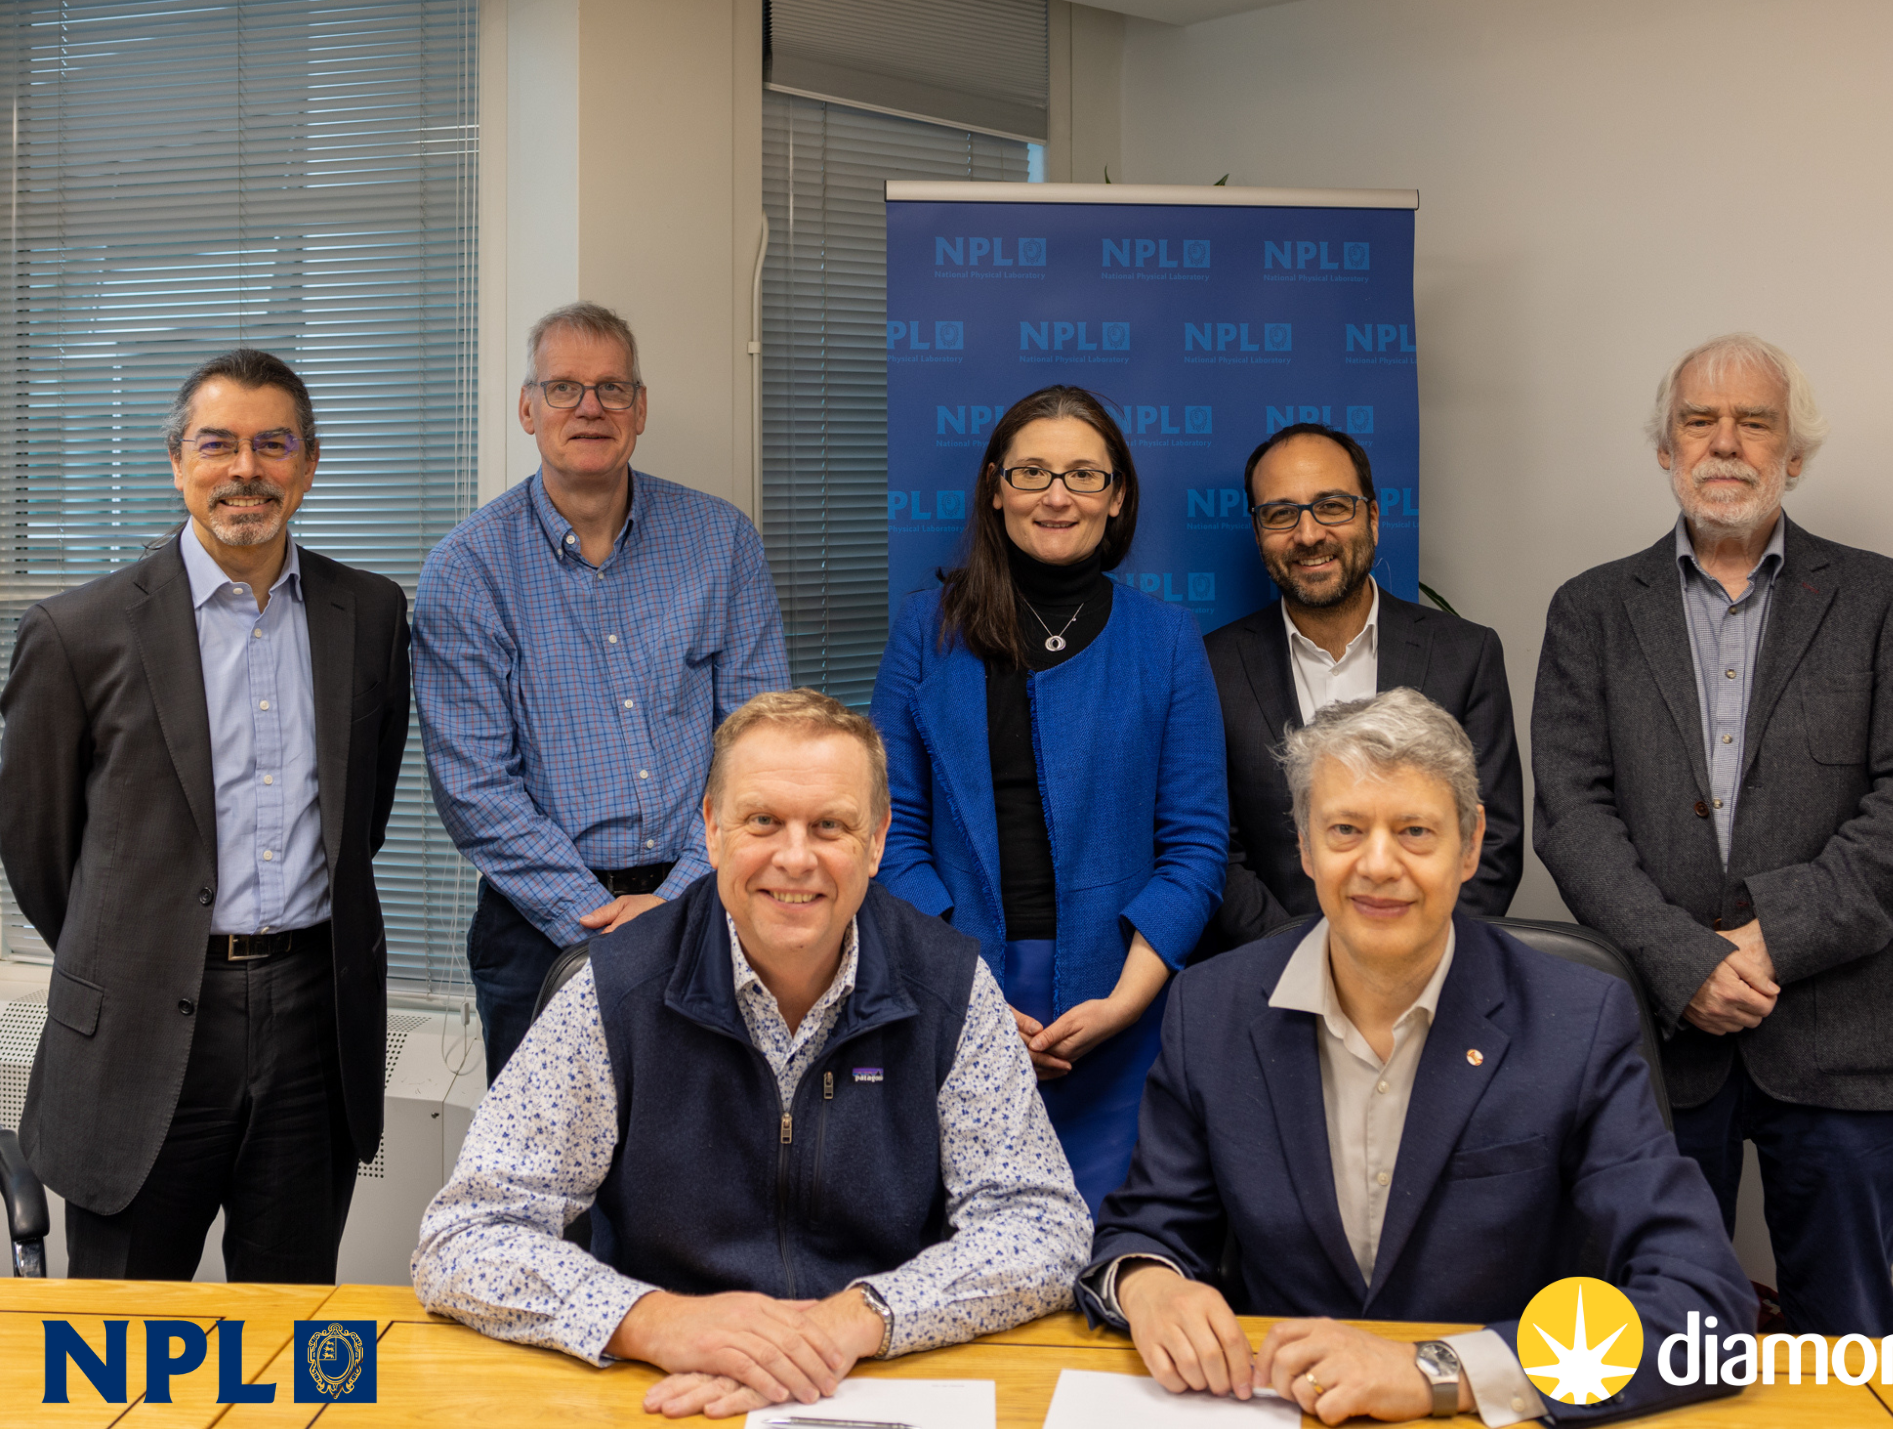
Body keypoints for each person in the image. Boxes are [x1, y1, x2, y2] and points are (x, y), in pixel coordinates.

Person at [1078, 689, 1754, 1425]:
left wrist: (1440, 1370)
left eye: (1414, 831)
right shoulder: (1210, 1010)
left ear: (1469, 847)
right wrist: (1147, 1283)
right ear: (1304, 845)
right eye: (1345, 829)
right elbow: (1147, 1227)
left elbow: (1703, 1307)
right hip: (1279, 1407)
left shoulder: (1577, 1022)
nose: (1378, 864)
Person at [412, 690, 1090, 1419]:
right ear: (710, 828)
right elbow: (463, 1236)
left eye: (830, 825)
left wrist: (856, 1320)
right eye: (762, 820)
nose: (794, 858)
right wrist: (656, 1320)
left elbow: (1041, 1220)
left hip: (881, 1379)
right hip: (662, 1386)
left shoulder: (950, 984)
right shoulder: (615, 989)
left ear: (877, 840)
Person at [1532, 333, 1893, 1336]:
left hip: (1843, 1038)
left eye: (1753, 420)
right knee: (1649, 1337)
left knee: (1844, 1341)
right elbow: (1571, 814)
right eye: (1698, 419)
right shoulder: (1590, 611)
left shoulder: (1880, 597)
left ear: (1793, 454)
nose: (1723, 441)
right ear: (1663, 449)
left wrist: (1768, 937)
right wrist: (1681, 959)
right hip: (1655, 1037)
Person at [0, 349, 411, 1280]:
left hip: (314, 1022)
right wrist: (137, 943)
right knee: (121, 1350)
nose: (245, 469)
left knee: (289, 1330)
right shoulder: (79, 631)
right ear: (178, 462)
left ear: (308, 465)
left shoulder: (373, 614)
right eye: (217, 444)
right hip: (140, 1030)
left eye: (274, 445)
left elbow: (362, 819)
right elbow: (35, 845)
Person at [870, 385, 1229, 1216]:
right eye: (1031, 471)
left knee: (1113, 1253)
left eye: (1082, 474)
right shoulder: (926, 629)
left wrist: (1127, 1001)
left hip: (1123, 1000)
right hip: (954, 987)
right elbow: (890, 830)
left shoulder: (1167, 638)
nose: (1056, 495)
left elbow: (1196, 845)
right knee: (960, 1252)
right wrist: (971, 990)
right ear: (995, 488)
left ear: (1118, 496)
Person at [414, 301, 789, 1083]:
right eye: (563, 389)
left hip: (709, 908)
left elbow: (759, 743)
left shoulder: (722, 543)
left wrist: (684, 896)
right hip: (536, 929)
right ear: (527, 408)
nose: (590, 407)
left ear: (640, 409)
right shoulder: (467, 570)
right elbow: (475, 789)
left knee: (704, 1172)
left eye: (613, 388)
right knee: (553, 1191)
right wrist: (601, 926)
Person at [1203, 423, 1521, 951]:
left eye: (1331, 506)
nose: (1308, 535)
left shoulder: (1466, 655)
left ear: (1372, 517)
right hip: (1271, 976)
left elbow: (1493, 839)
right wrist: (1306, 964)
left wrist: (1408, 960)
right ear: (1259, 532)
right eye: (1281, 514)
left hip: (1430, 974)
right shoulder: (1212, 667)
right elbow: (1217, 852)